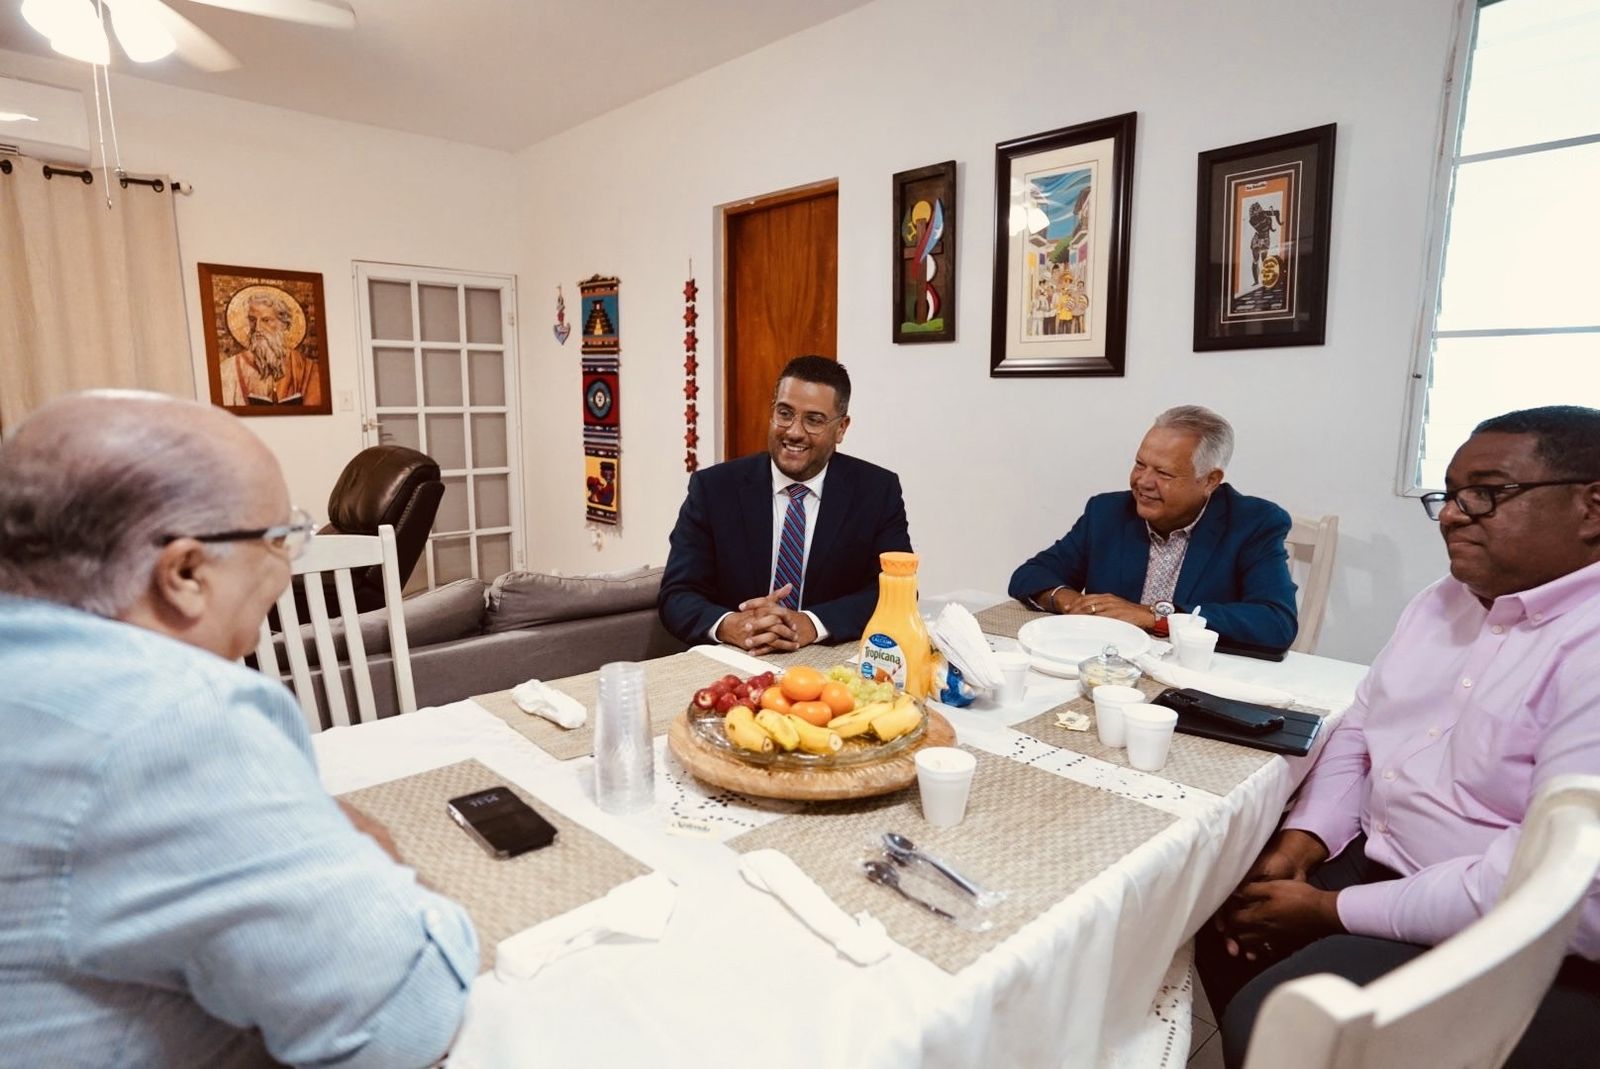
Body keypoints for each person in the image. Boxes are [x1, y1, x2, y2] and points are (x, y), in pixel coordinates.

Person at [0, 391, 477, 1068]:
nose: (289, 567)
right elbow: (406, 1017)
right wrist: (377, 850)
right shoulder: (173, 718)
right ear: (187, 571)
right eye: (281, 539)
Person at [1197, 405, 1600, 1069]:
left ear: (1590, 507)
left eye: (1487, 493)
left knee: (1273, 1009)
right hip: (1385, 854)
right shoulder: (1444, 600)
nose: (1451, 513)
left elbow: (1552, 890)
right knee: (1223, 904)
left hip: (1521, 932)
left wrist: (1330, 908)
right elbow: (1361, 724)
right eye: (1447, 494)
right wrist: (1306, 838)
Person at [658, 355, 912, 654]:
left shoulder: (876, 491)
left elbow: (896, 591)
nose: (794, 431)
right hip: (735, 660)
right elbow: (677, 594)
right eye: (785, 413)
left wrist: (811, 623)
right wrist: (732, 625)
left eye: (814, 420)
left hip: (828, 664)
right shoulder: (714, 489)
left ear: (841, 428)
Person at [1008, 405, 1298, 650]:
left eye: (1163, 473)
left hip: (1194, 677)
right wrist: (1070, 602)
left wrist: (1157, 617)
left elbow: (1275, 621)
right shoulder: (1107, 512)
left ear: (1210, 480)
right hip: (1107, 666)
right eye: (1139, 464)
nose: (1143, 482)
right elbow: (1030, 575)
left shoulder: (1253, 523)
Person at [221, 289, 323, 406]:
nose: (258, 328)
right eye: (252, 320)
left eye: (266, 320)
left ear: (284, 325)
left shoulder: (307, 370)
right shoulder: (229, 369)